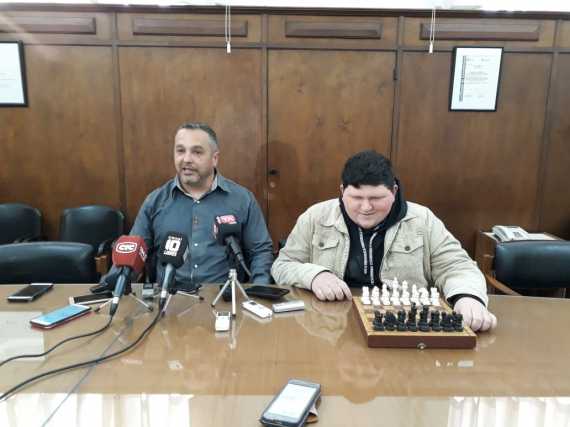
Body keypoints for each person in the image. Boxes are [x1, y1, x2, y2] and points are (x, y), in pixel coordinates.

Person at [271, 150, 496, 331]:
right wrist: (314, 276)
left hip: (403, 325)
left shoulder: (422, 220)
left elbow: (457, 266)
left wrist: (467, 297)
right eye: (356, 197)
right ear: (341, 191)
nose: (366, 207)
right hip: (331, 325)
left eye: (376, 198)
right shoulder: (316, 217)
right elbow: (282, 266)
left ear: (394, 191)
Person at [102, 122, 273, 289]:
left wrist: (258, 290)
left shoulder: (242, 200)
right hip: (169, 299)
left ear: (214, 158)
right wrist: (115, 283)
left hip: (225, 298)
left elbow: (260, 252)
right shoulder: (155, 201)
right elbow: (132, 253)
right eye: (180, 151)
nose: (186, 159)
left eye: (197, 152)